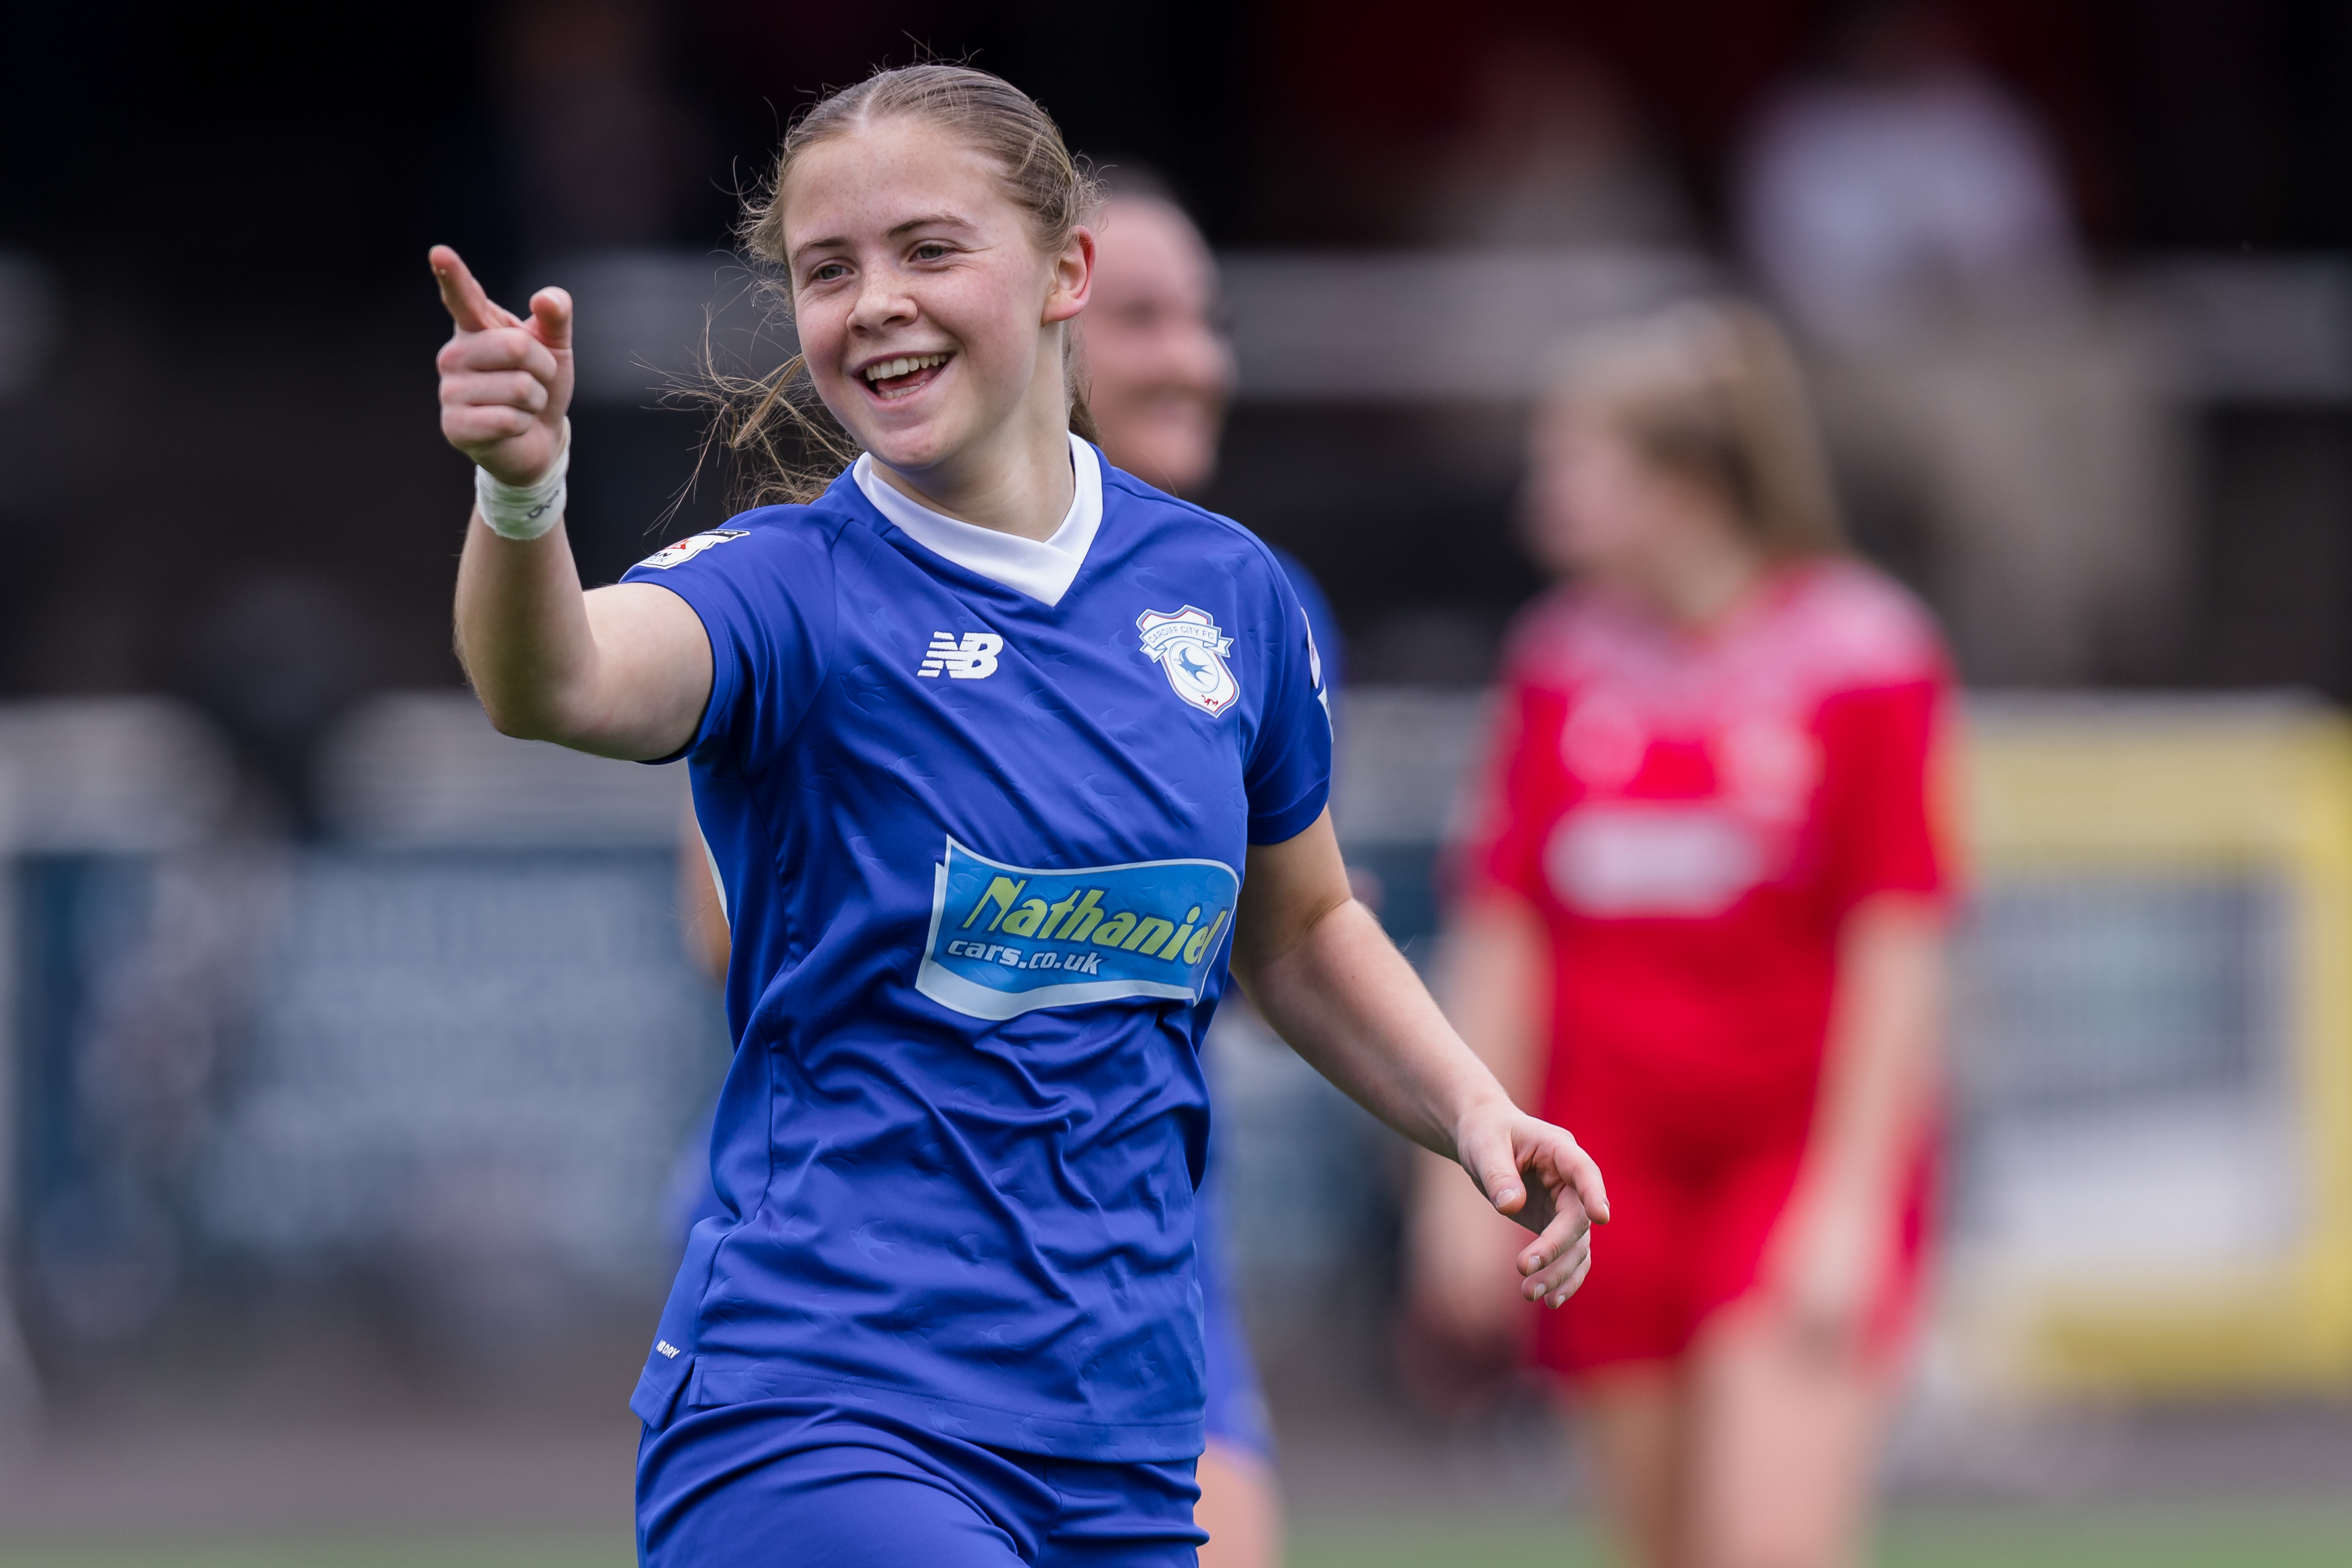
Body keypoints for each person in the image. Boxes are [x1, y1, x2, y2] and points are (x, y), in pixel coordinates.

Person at [431, 63, 1606, 1567]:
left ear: (1066, 272)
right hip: (825, 1413)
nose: (873, 304)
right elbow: (558, 682)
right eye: (826, 270)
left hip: (1119, 1433)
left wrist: (1472, 1111)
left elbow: (1300, 930)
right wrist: (521, 499)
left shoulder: (1226, 594)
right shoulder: (789, 585)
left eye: (928, 250)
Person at [1406, 302, 1952, 1568]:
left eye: (1573, 465)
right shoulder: (1554, 660)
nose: (1539, 497)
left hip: (1788, 1154)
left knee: (1763, 1543)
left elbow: (1900, 940)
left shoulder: (1864, 653)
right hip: (1607, 1167)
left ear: (1686, 482)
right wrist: (1460, 1175)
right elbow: (1505, 926)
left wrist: (1851, 1199)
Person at [1081, 168, 1340, 1568]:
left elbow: (1290, 937)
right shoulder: (839, 575)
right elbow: (731, 937)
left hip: (1141, 1229)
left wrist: (1470, 1117)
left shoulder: (1252, 605)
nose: (1189, 357)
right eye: (1139, 318)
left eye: (1204, 317)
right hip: (878, 1251)